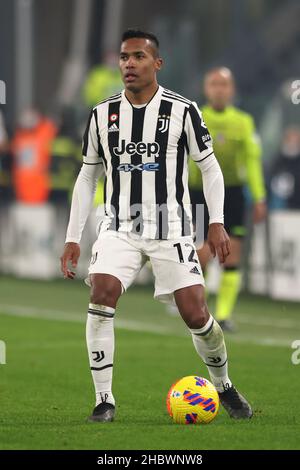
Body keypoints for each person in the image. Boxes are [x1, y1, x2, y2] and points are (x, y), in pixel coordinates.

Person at [60, 30, 252, 423]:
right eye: (124, 57)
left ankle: (224, 385)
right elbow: (86, 176)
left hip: (172, 227)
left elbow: (210, 167)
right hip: (119, 227)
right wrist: (72, 237)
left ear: (157, 64)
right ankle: (104, 401)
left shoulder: (183, 110)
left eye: (138, 57)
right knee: (102, 292)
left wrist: (216, 222)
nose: (129, 64)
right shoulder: (101, 114)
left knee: (196, 314)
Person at [189, 67, 267, 332]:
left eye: (224, 84)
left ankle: (223, 315)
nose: (219, 89)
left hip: (232, 192)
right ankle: (202, 308)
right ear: (206, 89)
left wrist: (259, 197)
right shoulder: (196, 116)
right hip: (199, 192)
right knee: (202, 254)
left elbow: (252, 161)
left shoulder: (243, 122)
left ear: (232, 90)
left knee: (231, 254)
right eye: (214, 84)